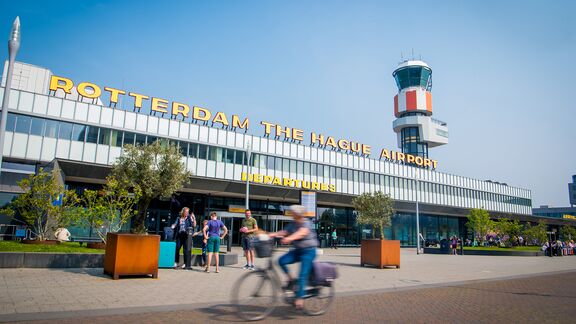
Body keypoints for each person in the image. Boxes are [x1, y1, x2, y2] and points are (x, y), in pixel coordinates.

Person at [268, 205, 318, 309]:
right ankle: (291, 279)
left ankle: (300, 299)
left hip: (309, 251)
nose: (291, 214)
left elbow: (302, 233)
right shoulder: (293, 223)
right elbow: (285, 232)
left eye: (293, 213)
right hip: (298, 250)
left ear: (298, 214)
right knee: (281, 260)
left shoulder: (306, 222)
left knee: (302, 275)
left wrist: (290, 238)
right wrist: (272, 234)